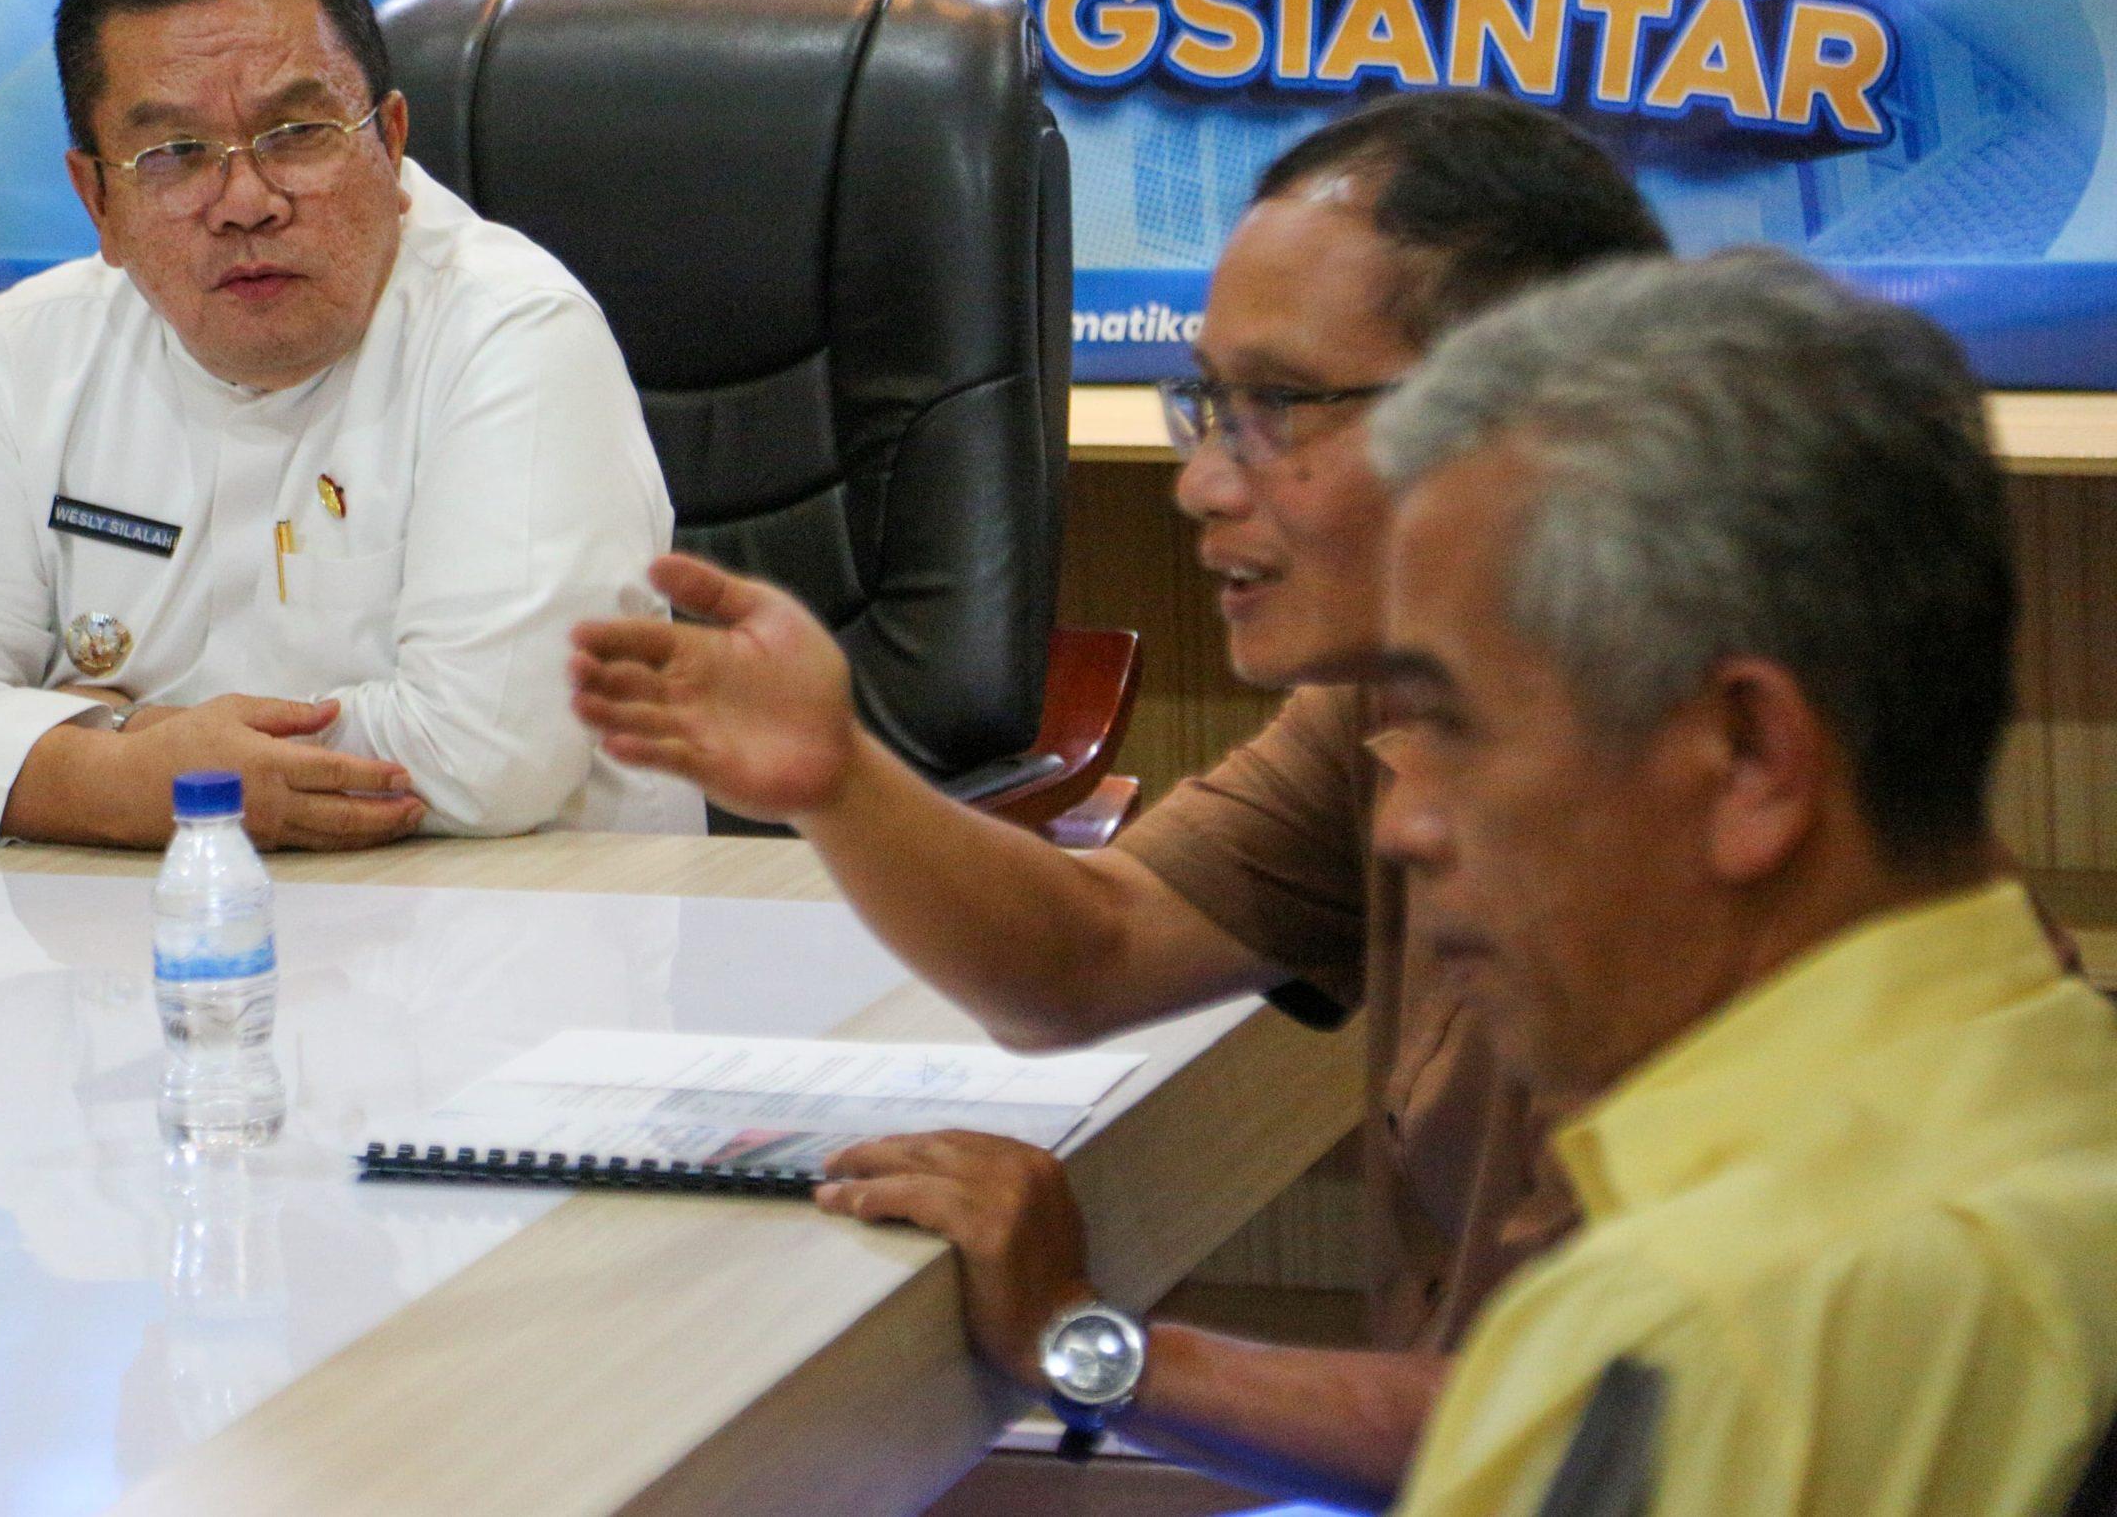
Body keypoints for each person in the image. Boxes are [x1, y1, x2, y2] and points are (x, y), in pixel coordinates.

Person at [823, 252, 2117, 1516]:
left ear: (1748, 756)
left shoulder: (1701, 1327)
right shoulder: (2050, 1078)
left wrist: (1080, 1342)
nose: (1404, 823)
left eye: (1460, 724)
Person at [570, 90, 1670, 1500]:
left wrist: (1087, 1344)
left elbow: (1592, 1435)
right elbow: (1089, 952)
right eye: (1208, 403)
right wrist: (838, 776)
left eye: (1279, 409)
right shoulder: (1404, 689)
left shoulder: (1694, 813)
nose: (1201, 481)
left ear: (1534, 425)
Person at [0, 0, 699, 850]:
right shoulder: (34, 346)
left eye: (297, 132)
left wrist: (126, 751)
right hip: (148, 923)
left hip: (514, 923)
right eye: (174, 155)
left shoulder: (513, 331)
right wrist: (119, 775)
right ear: (97, 199)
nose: (245, 202)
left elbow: (487, 756)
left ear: (390, 142)